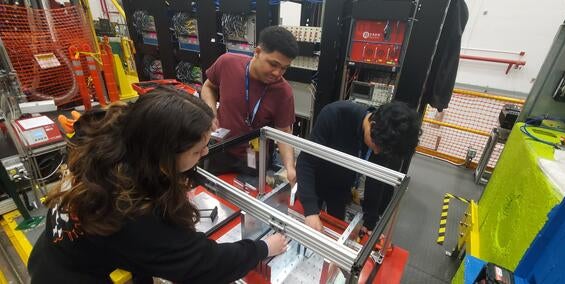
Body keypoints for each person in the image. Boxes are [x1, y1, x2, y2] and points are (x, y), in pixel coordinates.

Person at [28, 90, 288, 283]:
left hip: (56, 249)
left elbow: (138, 249)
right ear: (164, 156)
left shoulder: (119, 141)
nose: (206, 152)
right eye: (198, 151)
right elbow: (203, 264)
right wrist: (263, 248)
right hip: (65, 276)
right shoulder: (131, 209)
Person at [296, 100, 420, 233]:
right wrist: (310, 210)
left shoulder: (385, 139)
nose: (377, 152)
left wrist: (370, 222)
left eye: (382, 150)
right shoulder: (334, 114)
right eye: (376, 146)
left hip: (341, 188)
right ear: (372, 125)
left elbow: (375, 179)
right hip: (313, 182)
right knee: (305, 226)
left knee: (335, 228)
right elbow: (305, 162)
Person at [201, 26, 299, 185]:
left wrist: (290, 167)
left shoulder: (283, 92)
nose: (277, 73)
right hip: (221, 148)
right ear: (258, 51)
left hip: (254, 157)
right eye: (273, 64)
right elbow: (208, 87)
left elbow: (284, 132)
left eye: (284, 68)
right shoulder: (227, 63)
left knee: (248, 198)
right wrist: (210, 113)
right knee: (213, 192)